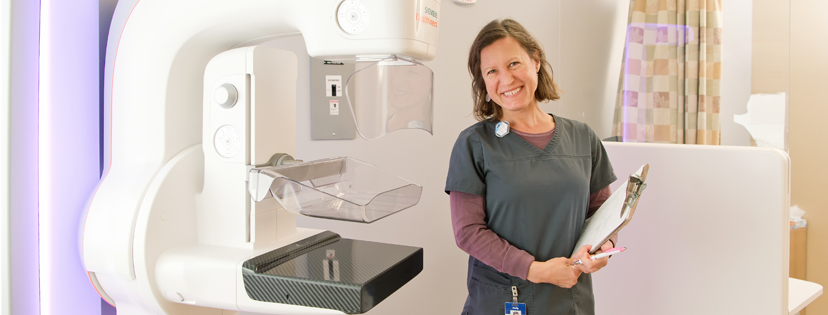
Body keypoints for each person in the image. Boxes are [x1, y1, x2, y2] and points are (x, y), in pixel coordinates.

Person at [445, 19, 618, 315]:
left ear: (535, 61)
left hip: (570, 301)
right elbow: (468, 232)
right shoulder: (474, 144)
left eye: (514, 63)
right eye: (492, 72)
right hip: (505, 301)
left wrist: (603, 250)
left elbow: (602, 214)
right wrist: (536, 271)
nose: (507, 79)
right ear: (484, 83)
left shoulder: (582, 138)